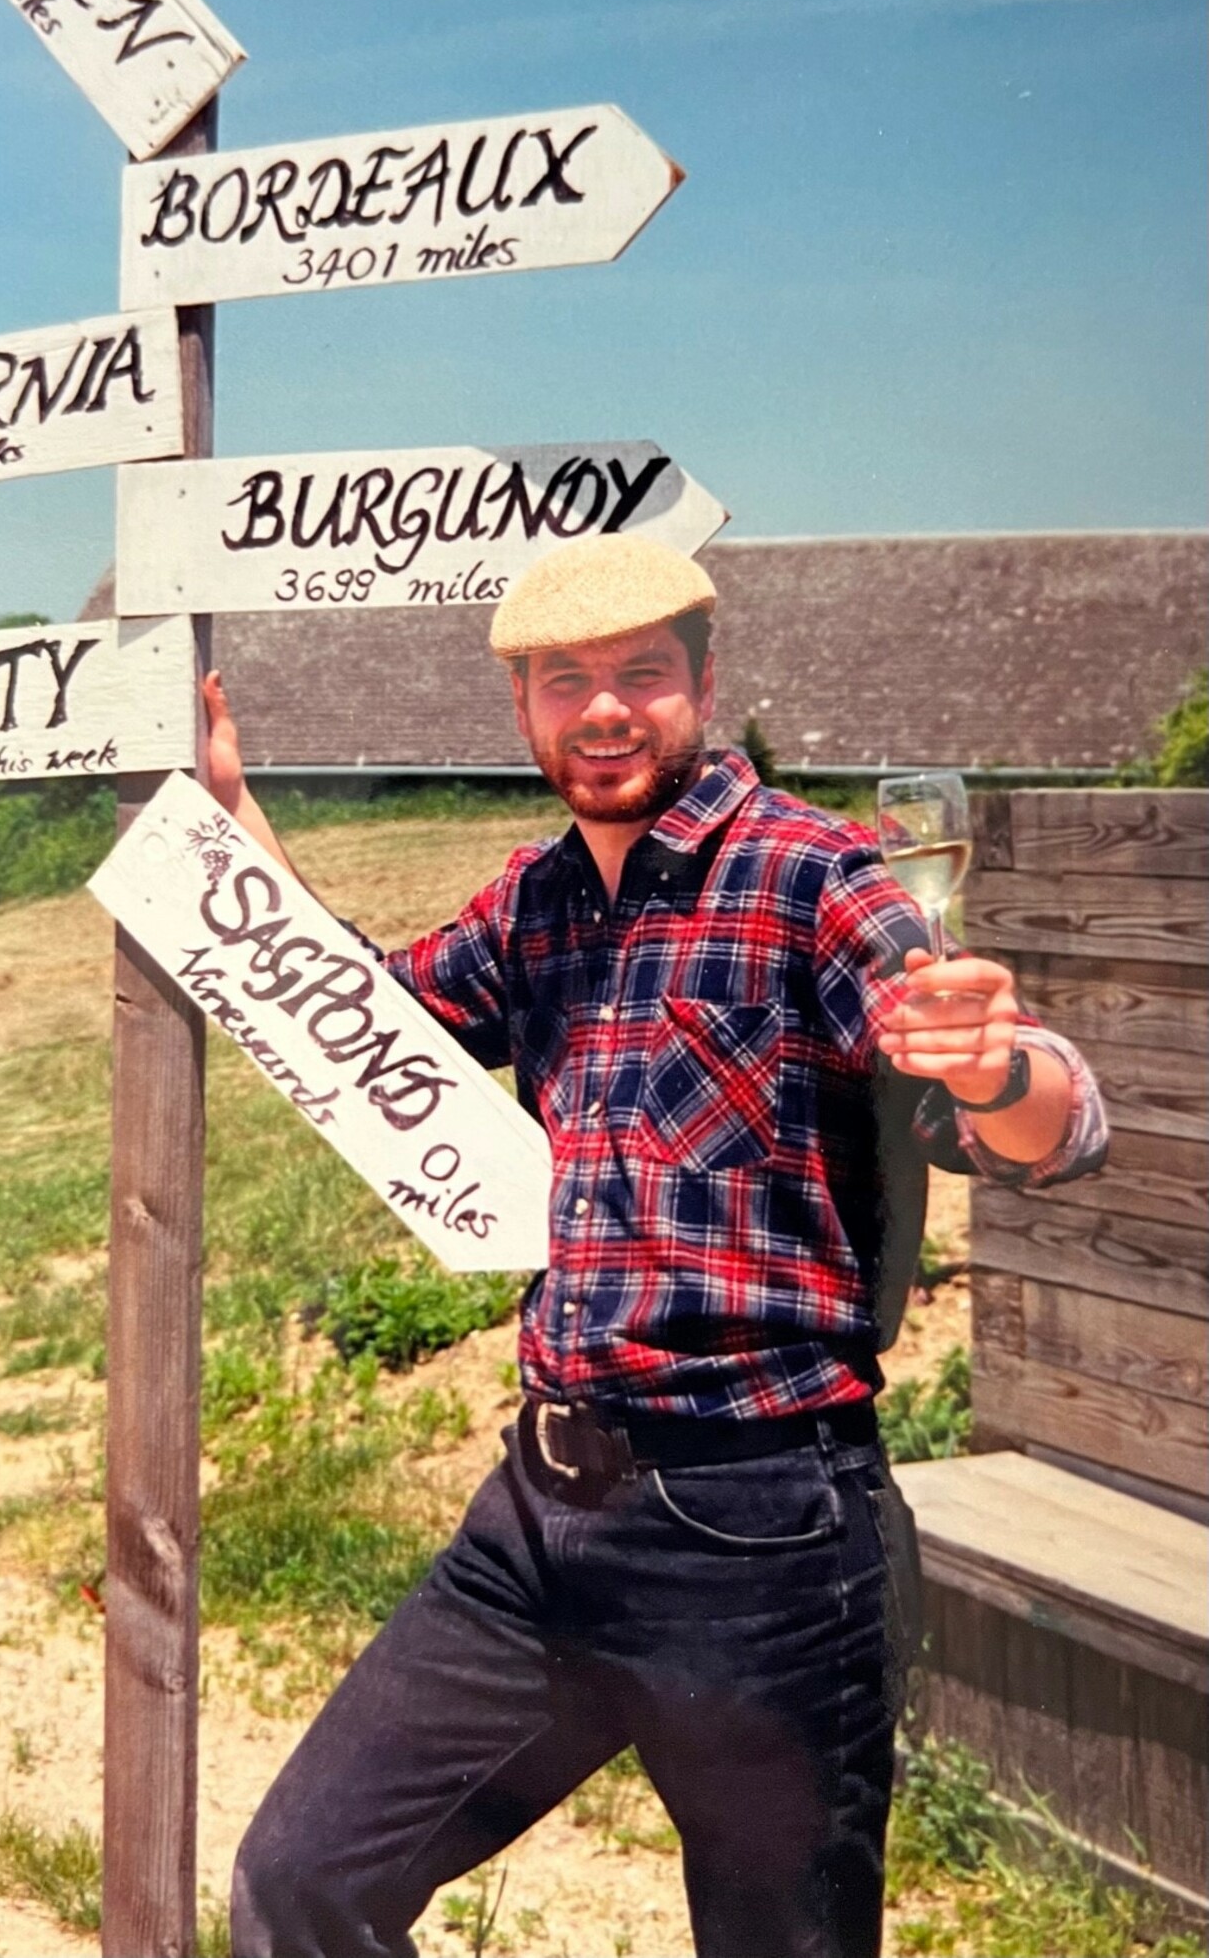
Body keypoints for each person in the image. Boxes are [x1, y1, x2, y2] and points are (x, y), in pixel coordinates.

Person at [204, 535, 1107, 1958]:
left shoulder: (817, 873)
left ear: (703, 681)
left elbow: (1033, 1110)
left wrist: (1003, 1071)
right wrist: (233, 822)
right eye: (568, 681)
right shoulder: (536, 903)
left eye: (640, 674)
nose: (605, 709)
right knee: (302, 1876)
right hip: (540, 1522)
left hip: (763, 1531)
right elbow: (356, 1019)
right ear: (523, 707)